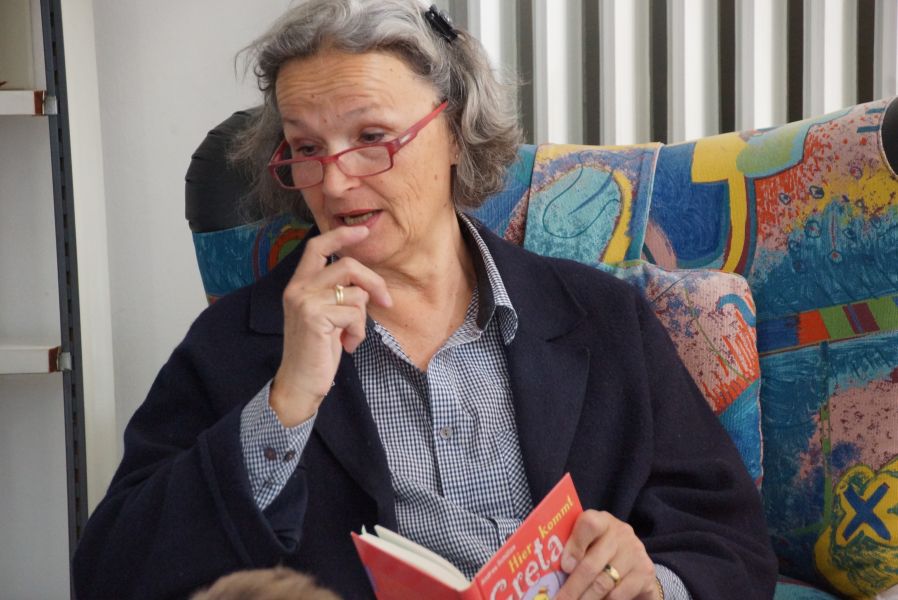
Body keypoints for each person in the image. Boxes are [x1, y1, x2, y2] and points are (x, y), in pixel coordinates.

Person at [72, 1, 778, 598]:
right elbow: (111, 575)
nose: (335, 183)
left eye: (372, 137)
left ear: (454, 133)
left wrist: (651, 583)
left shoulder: (601, 315)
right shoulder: (237, 343)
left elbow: (731, 540)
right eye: (306, 148)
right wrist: (284, 406)